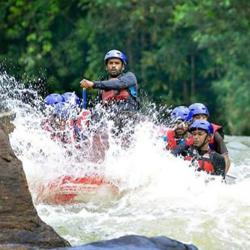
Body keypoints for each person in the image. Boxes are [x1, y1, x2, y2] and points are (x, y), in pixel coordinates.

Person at [189, 103, 230, 173]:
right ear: (189, 119)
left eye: (204, 117)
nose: (201, 120)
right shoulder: (185, 131)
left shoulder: (215, 134)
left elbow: (225, 158)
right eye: (197, 117)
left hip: (213, 161)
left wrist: (222, 176)